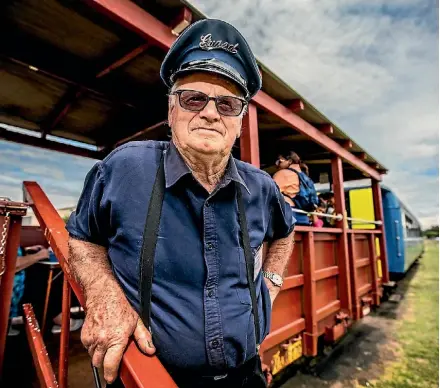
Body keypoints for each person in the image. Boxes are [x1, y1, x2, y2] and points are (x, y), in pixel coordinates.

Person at [65, 19, 295, 387]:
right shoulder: (125, 168)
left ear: (240, 122)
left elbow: (284, 232)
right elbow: (82, 237)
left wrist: (270, 281)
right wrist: (103, 292)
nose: (209, 113)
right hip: (150, 379)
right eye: (193, 98)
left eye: (227, 104)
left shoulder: (262, 187)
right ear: (172, 111)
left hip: (246, 374)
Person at [8, 245, 49, 336]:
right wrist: (38, 255)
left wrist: (25, 250)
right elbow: (8, 265)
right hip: (13, 291)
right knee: (45, 280)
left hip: (17, 286)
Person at [272, 151, 319, 226]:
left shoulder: (282, 173)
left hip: (288, 214)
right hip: (303, 216)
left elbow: (270, 194)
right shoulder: (305, 177)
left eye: (279, 161)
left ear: (289, 161)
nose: (276, 164)